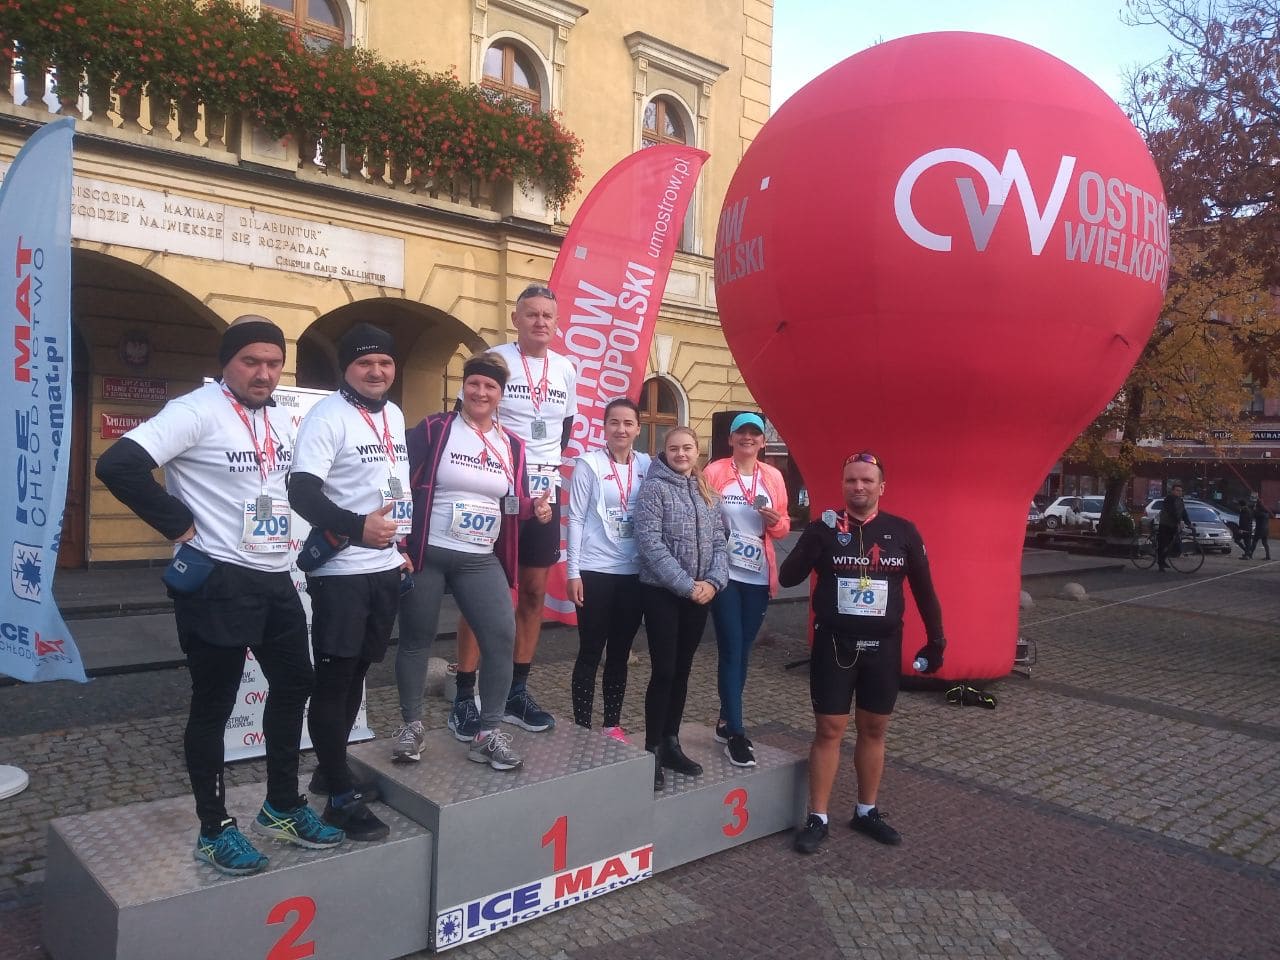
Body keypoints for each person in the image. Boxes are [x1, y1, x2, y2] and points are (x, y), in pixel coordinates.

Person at [96, 316, 343, 876]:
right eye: (250, 362)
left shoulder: (278, 419)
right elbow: (118, 465)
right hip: (218, 582)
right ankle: (214, 829)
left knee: (295, 683)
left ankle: (281, 806)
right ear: (226, 363)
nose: (263, 373)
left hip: (275, 576)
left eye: (274, 363)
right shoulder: (195, 411)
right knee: (214, 705)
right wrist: (177, 522)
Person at [780, 452, 946, 854]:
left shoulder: (902, 531)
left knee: (874, 730)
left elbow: (924, 590)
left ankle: (866, 811)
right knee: (829, 730)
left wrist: (936, 640)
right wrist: (814, 535)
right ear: (842, 485)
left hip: (883, 647)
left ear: (881, 487)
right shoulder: (824, 528)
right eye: (851, 480)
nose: (858, 487)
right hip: (834, 644)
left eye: (867, 481)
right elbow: (788, 577)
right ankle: (818, 817)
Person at [395, 350, 553, 771]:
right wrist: (400, 544)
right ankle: (411, 726)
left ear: (501, 394)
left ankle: (488, 733)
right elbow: (398, 480)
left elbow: (510, 502)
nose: (481, 392)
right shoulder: (435, 428)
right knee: (416, 638)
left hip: (480, 558)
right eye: (474, 384)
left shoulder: (512, 445)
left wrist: (532, 508)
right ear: (463, 387)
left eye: (490, 386)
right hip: (428, 553)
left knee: (501, 637)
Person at [287, 323, 409, 842]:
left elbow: (384, 488)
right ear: (346, 368)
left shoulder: (394, 414)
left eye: (384, 362)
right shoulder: (327, 416)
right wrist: (359, 528)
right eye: (365, 363)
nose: (376, 371)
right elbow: (301, 493)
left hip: (383, 567)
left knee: (358, 671)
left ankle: (327, 769)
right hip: (341, 573)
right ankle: (339, 798)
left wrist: (397, 547)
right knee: (335, 680)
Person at [449, 283, 578, 739]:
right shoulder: (496, 360)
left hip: (544, 491)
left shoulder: (565, 368)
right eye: (531, 314)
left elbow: (564, 428)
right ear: (516, 319)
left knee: (533, 593)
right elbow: (468, 417)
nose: (540, 321)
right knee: (480, 590)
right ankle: (465, 695)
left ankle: (515, 692)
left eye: (547, 315)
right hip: (497, 487)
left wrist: (541, 472)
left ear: (556, 322)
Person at [634, 425, 729, 790]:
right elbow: (650, 543)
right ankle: (652, 749)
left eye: (687, 448)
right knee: (664, 670)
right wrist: (687, 586)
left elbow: (720, 542)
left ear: (696, 450)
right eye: (674, 448)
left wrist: (713, 583)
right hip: (662, 592)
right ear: (665, 451)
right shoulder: (654, 488)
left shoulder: (707, 490)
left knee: (683, 670)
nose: (681, 454)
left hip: (700, 594)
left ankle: (671, 741)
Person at [704, 412, 790, 766]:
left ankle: (725, 720)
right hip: (724, 574)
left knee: (743, 651)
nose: (748, 438)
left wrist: (776, 522)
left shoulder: (773, 476)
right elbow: (702, 516)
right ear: (731, 439)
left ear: (762, 441)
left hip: (757, 575)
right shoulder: (714, 472)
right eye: (741, 433)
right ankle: (737, 733)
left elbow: (784, 526)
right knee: (731, 648)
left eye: (755, 433)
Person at [566, 398, 651, 740]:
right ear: (604, 427)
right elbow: (575, 518)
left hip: (633, 572)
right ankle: (582, 727)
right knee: (590, 650)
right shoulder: (588, 464)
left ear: (638, 429)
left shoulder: (646, 464)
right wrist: (573, 572)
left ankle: (611, 724)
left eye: (628, 423)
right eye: (614, 422)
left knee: (619, 653)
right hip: (595, 569)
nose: (621, 429)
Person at [1157, 483, 1193, 571]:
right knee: (1163, 543)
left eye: (1180, 491)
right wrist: (1178, 521)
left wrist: (1188, 523)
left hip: (1173, 525)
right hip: (1165, 524)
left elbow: (1183, 512)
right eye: (1177, 490)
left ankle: (1164, 559)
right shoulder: (1169, 499)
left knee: (1172, 544)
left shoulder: (1180, 500)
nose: (1179, 492)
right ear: (1173, 491)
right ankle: (1160, 563)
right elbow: (1171, 511)